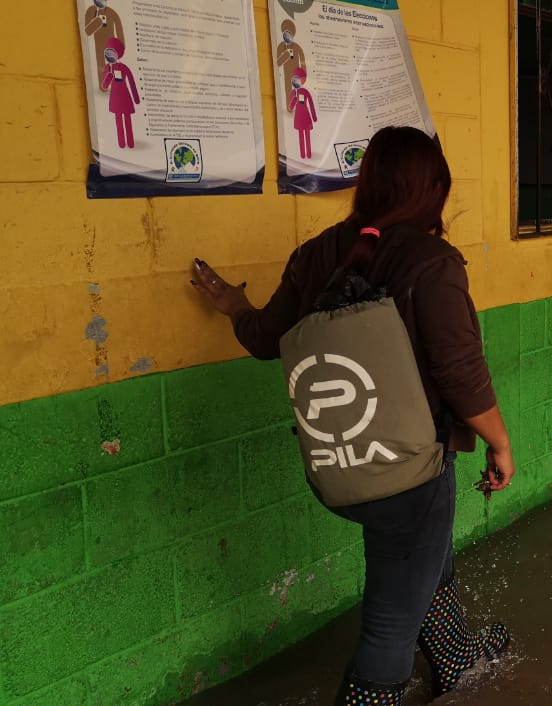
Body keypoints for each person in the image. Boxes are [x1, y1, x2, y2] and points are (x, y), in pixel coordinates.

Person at [190, 126, 515, 704]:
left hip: (342, 465)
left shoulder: (316, 253)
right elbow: (460, 371)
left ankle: (456, 659)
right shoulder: (432, 261)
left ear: (368, 185)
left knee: (423, 565)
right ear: (433, 191)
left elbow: (268, 339)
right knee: (389, 620)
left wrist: (235, 305)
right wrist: (500, 443)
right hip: (411, 471)